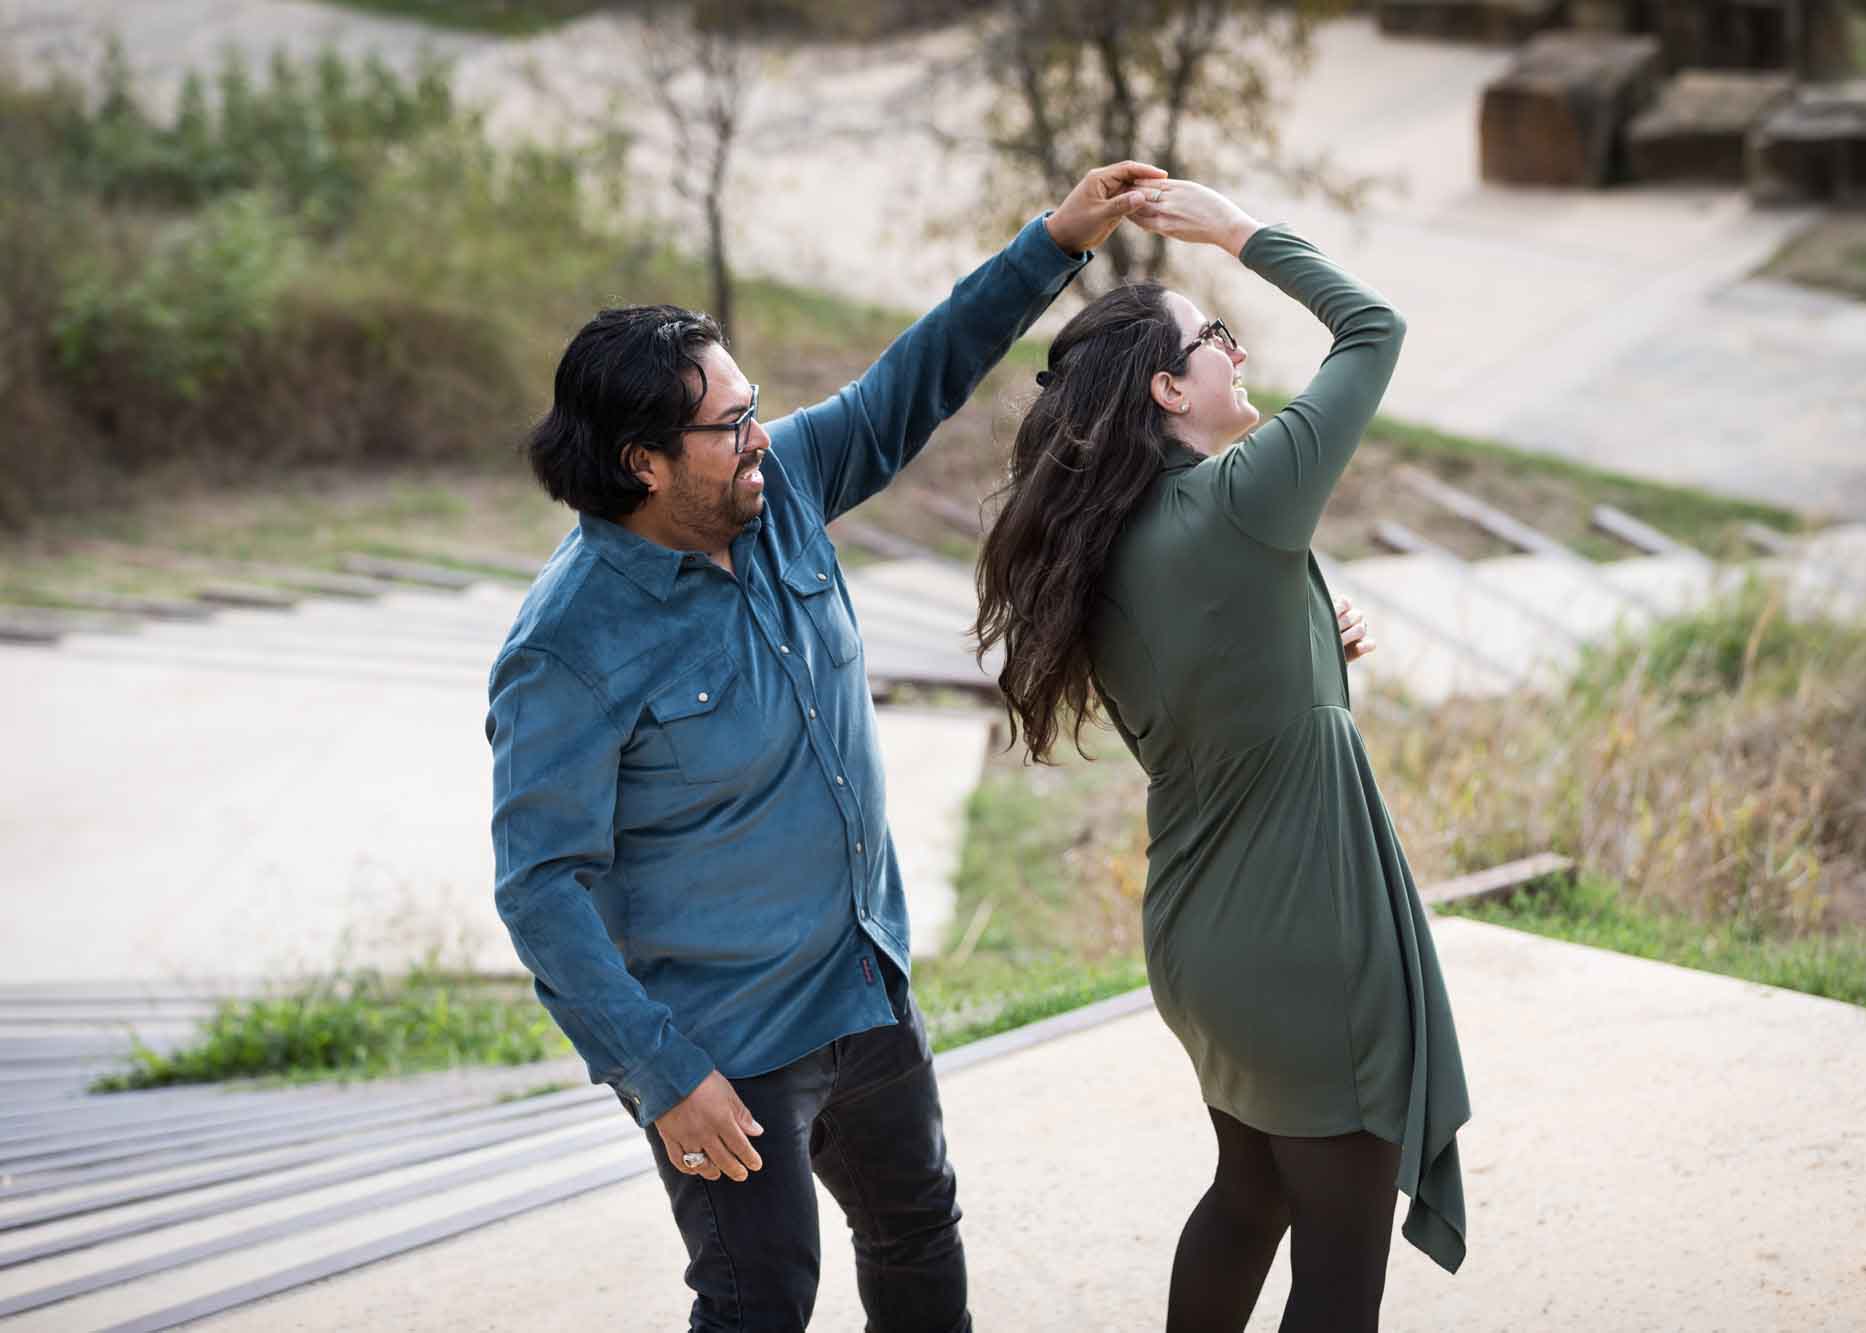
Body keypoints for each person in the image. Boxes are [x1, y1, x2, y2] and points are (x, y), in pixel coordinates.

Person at [485, 161, 1169, 1331]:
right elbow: (541, 889)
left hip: (862, 987)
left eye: (755, 410)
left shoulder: (784, 485)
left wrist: (1052, 240)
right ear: (643, 461)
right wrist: (662, 1076)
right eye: (729, 424)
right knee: (759, 1297)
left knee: (915, 1234)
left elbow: (919, 377)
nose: (759, 437)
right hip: (725, 1049)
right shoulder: (565, 646)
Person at [972, 180, 1471, 1332]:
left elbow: (1217, 694)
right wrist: (1235, 230)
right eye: (1213, 338)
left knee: (1248, 1194)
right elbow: (1375, 329)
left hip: (1204, 939)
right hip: (1301, 940)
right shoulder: (1243, 503)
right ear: (1166, 387)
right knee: (1337, 1281)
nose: (1237, 351)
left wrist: (1308, 639)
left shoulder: (1114, 543)